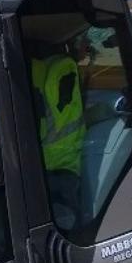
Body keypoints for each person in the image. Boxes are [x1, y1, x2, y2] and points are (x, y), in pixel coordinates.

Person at [31, 38, 87, 233]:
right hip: (61, 166)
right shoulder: (64, 68)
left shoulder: (36, 68)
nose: (87, 49)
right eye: (83, 41)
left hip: (44, 166)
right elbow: (61, 113)